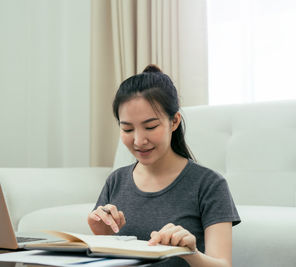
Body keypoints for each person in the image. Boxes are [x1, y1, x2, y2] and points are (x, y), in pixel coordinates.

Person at [87, 64, 241, 267]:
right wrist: (102, 238)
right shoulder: (116, 181)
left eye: (150, 127)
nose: (138, 140)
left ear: (174, 121)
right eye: (127, 129)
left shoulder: (209, 184)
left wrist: (189, 253)